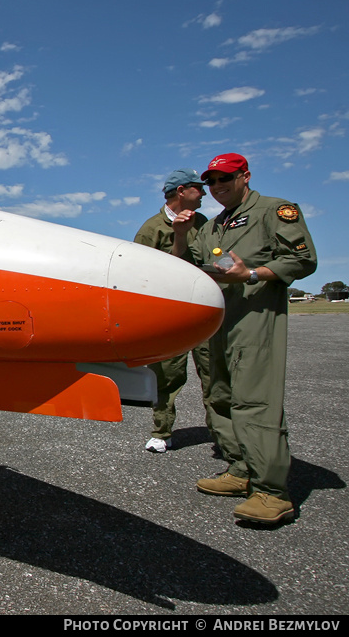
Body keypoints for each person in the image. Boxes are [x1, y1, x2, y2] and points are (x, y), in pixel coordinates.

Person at [171, 153, 316, 525]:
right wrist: (182, 235)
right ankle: (240, 470)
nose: (218, 187)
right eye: (212, 182)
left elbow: (301, 259)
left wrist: (250, 274)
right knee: (220, 395)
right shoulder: (213, 225)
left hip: (255, 317)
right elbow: (188, 266)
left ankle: (271, 491)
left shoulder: (275, 210)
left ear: (245, 176)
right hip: (219, 319)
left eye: (226, 179)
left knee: (255, 400)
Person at [134, 169, 214, 453]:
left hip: (206, 313)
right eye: (198, 188)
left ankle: (221, 432)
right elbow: (141, 274)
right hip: (170, 315)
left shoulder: (205, 223)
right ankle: (161, 431)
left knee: (214, 374)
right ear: (181, 191)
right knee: (167, 375)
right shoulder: (152, 228)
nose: (204, 193)